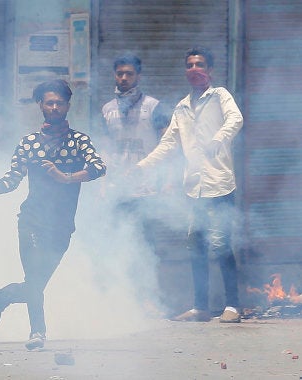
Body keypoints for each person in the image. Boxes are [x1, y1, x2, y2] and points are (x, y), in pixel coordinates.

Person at [0, 79, 107, 350]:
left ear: (68, 105)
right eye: (50, 102)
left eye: (60, 102)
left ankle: (1, 297)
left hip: (62, 226)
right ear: (41, 105)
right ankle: (38, 332)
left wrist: (67, 177)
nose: (55, 107)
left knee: (35, 283)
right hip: (32, 221)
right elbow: (9, 181)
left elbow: (99, 167)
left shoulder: (79, 141)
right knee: (35, 278)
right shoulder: (29, 144)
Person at [135, 46, 244, 323]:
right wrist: (141, 167)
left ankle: (233, 306)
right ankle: (200, 307)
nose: (194, 69)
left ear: (210, 70)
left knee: (221, 245)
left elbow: (236, 119)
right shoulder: (182, 107)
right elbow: (168, 144)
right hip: (194, 189)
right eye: (190, 65)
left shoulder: (220, 96)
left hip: (219, 186)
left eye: (200, 64)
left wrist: (218, 140)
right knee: (196, 246)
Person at [100, 53, 171, 248]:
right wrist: (104, 183)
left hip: (146, 188)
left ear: (138, 77)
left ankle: (148, 279)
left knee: (147, 243)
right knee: (117, 242)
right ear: (114, 75)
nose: (124, 78)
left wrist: (166, 181)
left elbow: (168, 146)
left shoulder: (154, 107)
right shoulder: (107, 109)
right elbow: (105, 149)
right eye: (120, 73)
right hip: (118, 187)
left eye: (129, 74)